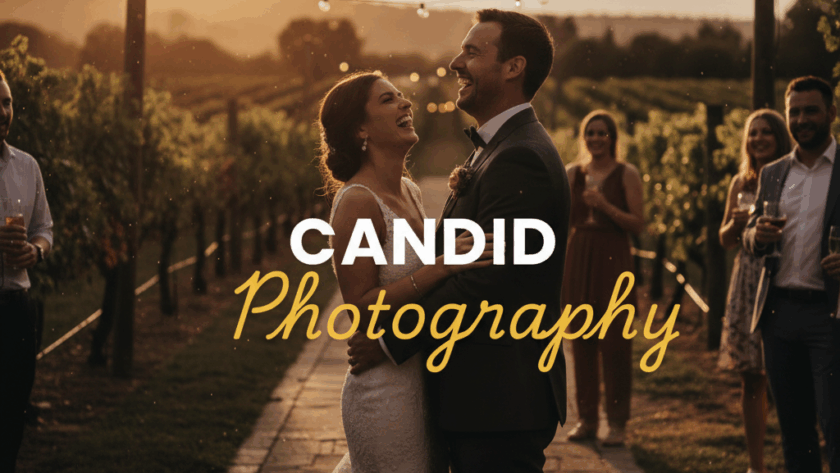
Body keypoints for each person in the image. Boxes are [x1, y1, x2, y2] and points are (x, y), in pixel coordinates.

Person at [347, 9, 570, 472]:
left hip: (498, 401)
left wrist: (392, 342)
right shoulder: (501, 148)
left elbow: (487, 282)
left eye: (472, 51)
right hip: (481, 400)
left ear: (514, 67)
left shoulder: (519, 158)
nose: (455, 62)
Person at [321, 71, 494, 472]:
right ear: (360, 128)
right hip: (385, 395)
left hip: (425, 383)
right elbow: (361, 309)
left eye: (401, 96)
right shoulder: (357, 204)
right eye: (387, 100)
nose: (405, 103)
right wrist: (441, 267)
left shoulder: (410, 191)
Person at [744, 76, 840, 473]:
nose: (802, 119)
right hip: (778, 315)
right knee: (793, 432)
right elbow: (750, 234)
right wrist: (757, 235)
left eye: (810, 110)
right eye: (794, 112)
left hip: (830, 316)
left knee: (835, 427)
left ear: (831, 113)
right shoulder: (774, 172)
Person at [562, 110, 644, 447]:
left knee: (615, 344)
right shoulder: (571, 173)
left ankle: (618, 423)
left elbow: (638, 223)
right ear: (584, 137)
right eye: (591, 133)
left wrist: (606, 206)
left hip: (614, 257)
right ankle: (587, 420)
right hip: (580, 255)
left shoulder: (627, 174)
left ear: (612, 137)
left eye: (602, 133)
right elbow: (562, 221)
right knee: (580, 342)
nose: (596, 139)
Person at [718, 109, 791, 473]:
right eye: (753, 133)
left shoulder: (793, 178)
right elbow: (724, 239)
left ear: (780, 137)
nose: (758, 139)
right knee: (751, 376)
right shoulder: (740, 182)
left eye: (766, 133)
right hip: (747, 280)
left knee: (787, 374)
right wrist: (736, 222)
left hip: (779, 278)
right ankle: (757, 466)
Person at [0, 69, 54, 473]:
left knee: (14, 409)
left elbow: (43, 229)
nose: (3, 111)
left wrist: (35, 251)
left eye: (6, 101)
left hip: (18, 308)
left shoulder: (27, 166)